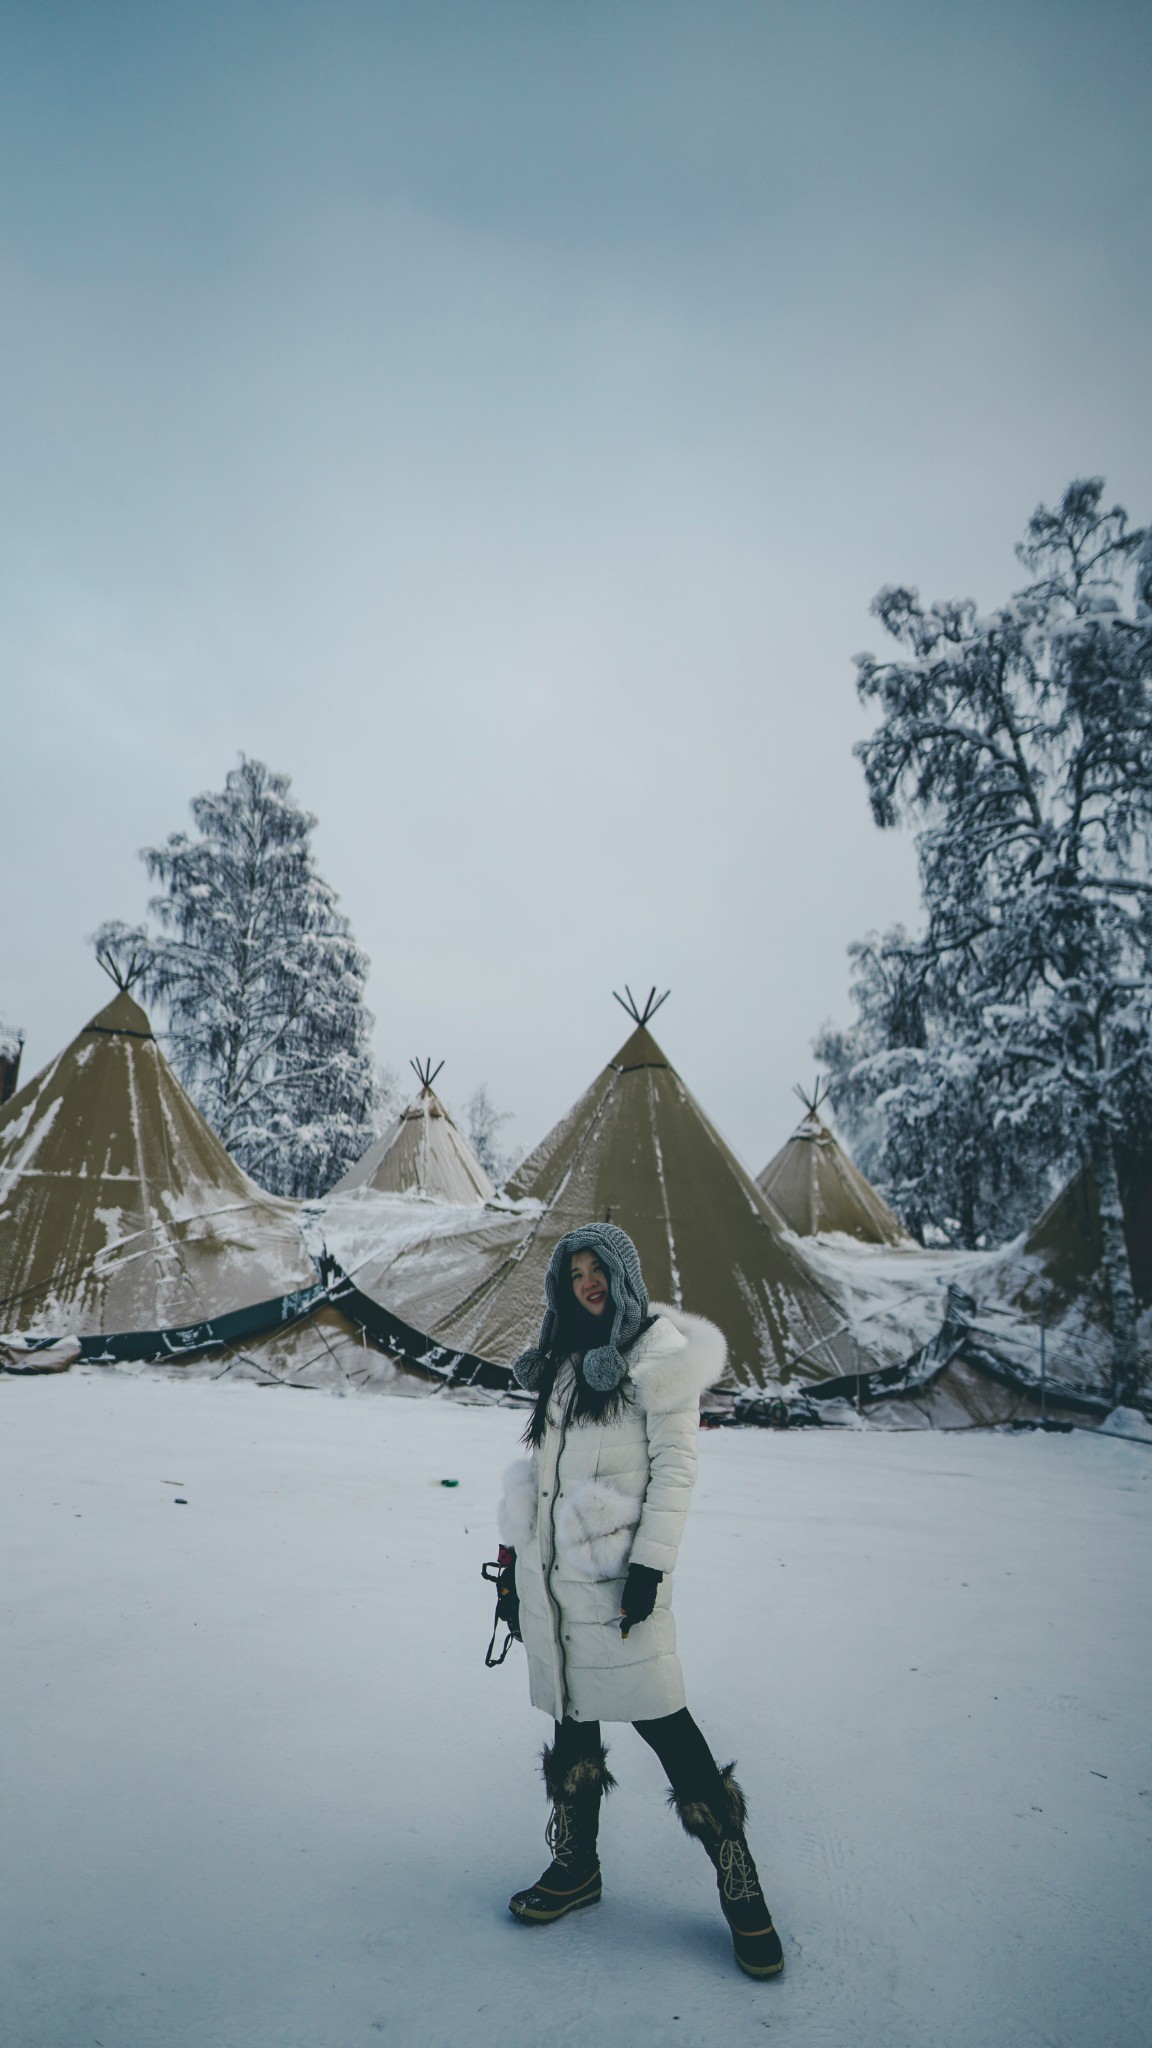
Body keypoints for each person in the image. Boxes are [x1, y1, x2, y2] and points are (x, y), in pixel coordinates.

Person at [492, 1221, 784, 1980]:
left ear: (625, 1277)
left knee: (669, 1727)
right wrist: (510, 1566)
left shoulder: (657, 1359)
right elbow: (544, 1472)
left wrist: (650, 1566)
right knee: (573, 1726)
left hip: (617, 1585)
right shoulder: (563, 1360)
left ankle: (738, 1880)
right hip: (555, 1584)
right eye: (576, 1272)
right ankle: (576, 1867)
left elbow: (676, 1469)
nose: (589, 1283)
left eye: (601, 1271)